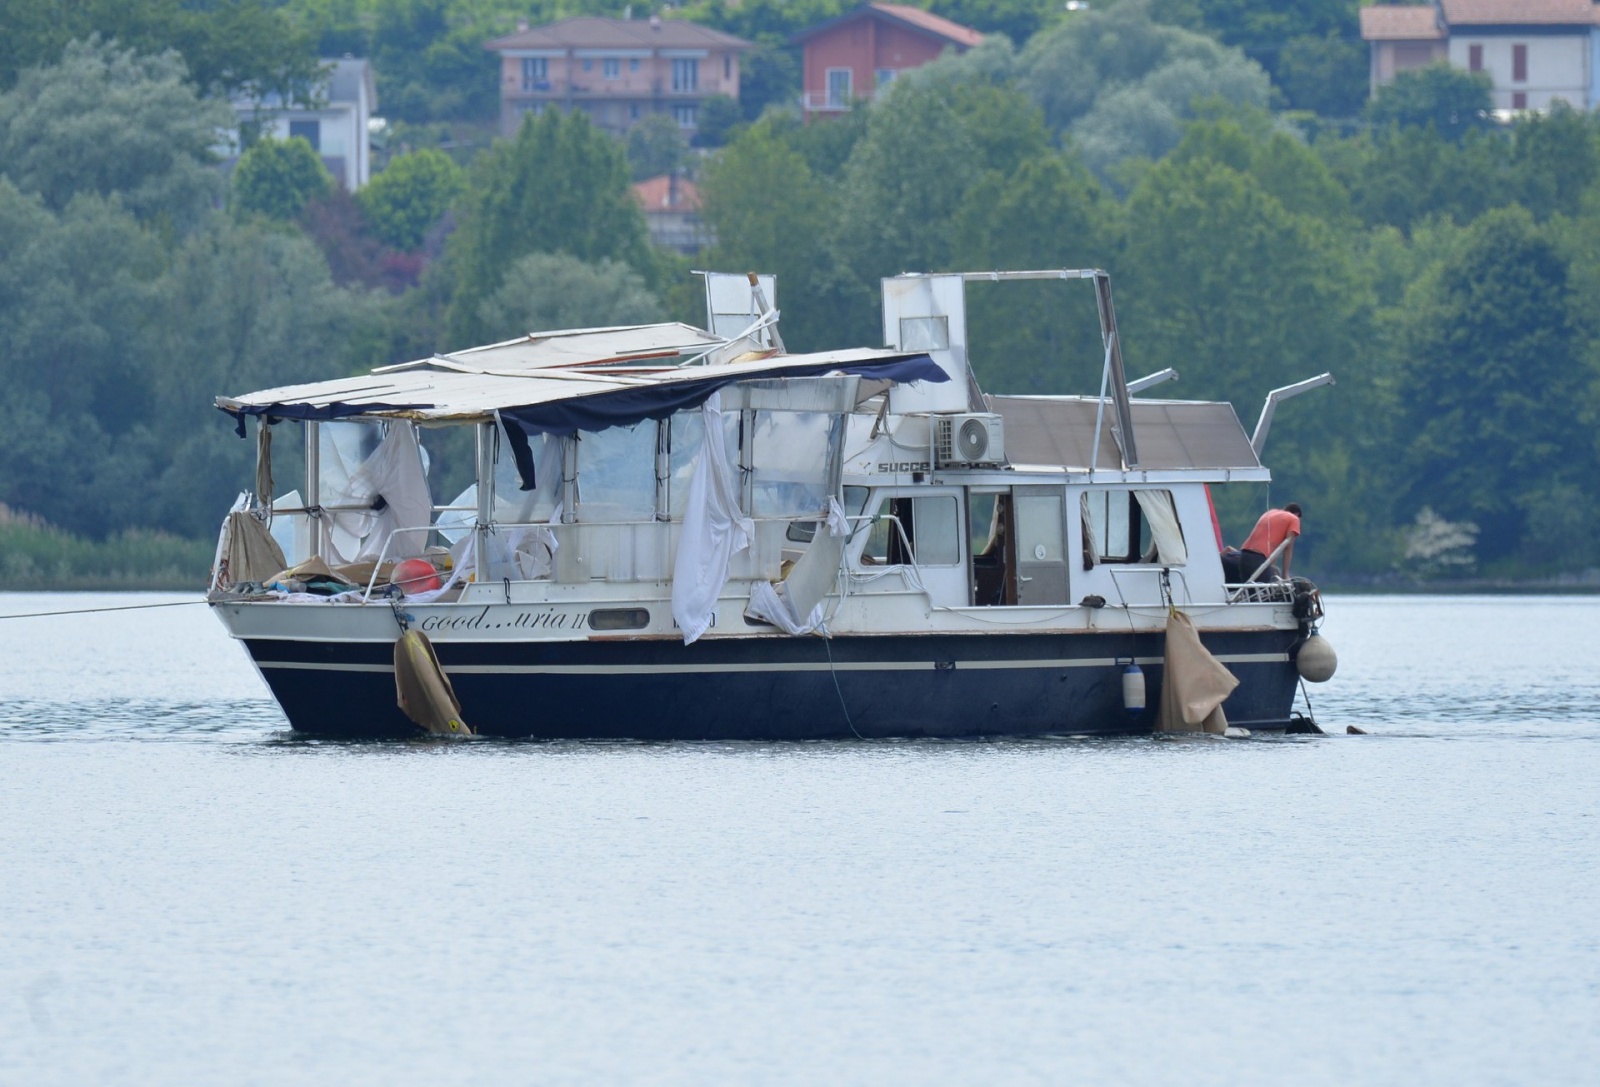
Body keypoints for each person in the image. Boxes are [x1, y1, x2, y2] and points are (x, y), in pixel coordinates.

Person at [1239, 503, 1301, 581]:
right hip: (1259, 558)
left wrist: (1271, 566)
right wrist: (1285, 574)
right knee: (1264, 591)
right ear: (1297, 514)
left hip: (1244, 555)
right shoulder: (1294, 519)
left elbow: (1271, 544)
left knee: (1249, 591)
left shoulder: (1270, 512)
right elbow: (1288, 546)